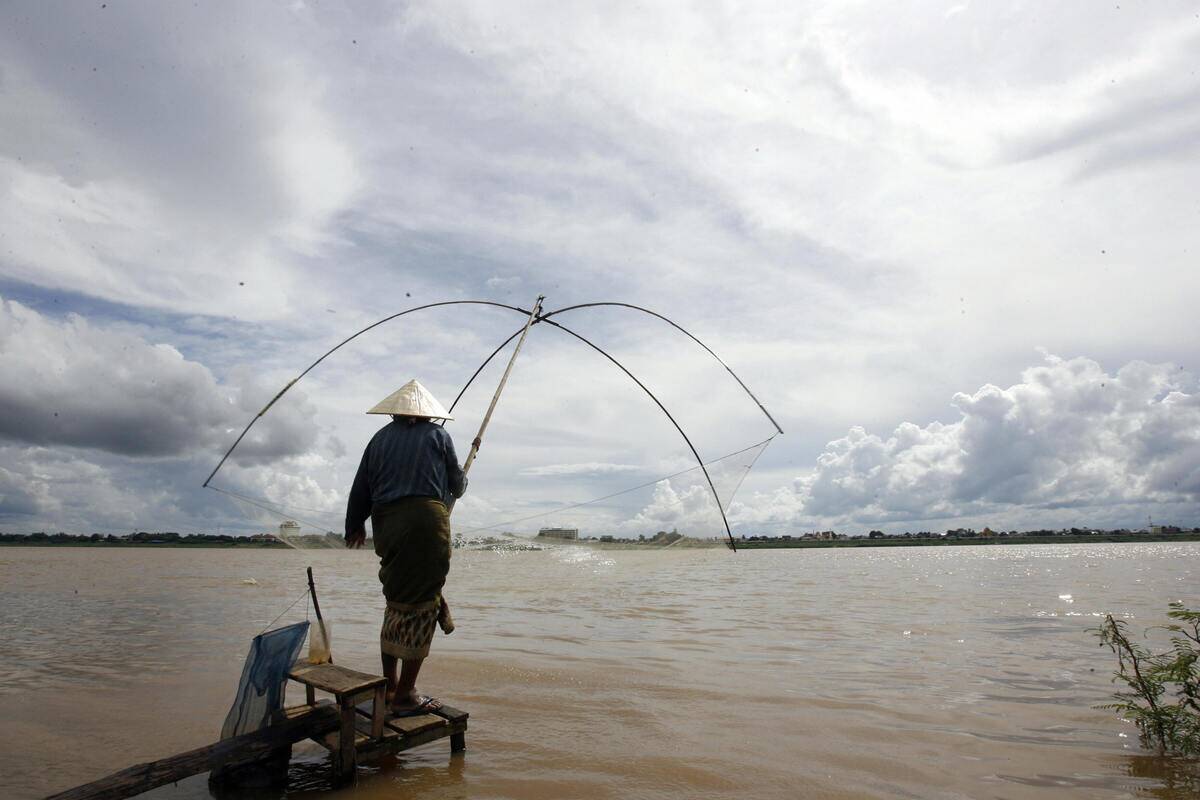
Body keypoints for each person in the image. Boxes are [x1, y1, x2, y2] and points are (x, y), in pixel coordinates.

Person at [345, 379, 467, 716]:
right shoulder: (438, 436)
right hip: (425, 522)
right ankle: (406, 694)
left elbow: (361, 488)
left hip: (386, 525)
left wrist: (354, 525)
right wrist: (463, 478)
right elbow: (457, 484)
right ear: (423, 414)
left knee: (396, 599)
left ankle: (390, 685)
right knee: (424, 602)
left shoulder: (379, 439)